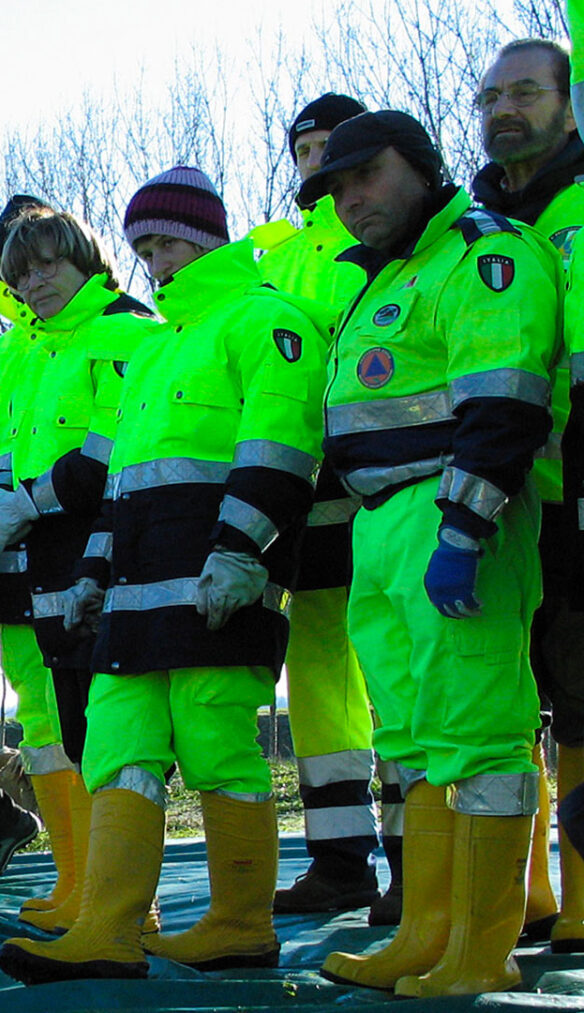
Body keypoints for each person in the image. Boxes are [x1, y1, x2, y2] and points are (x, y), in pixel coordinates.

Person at [0, 167, 327, 984]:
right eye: (144, 247)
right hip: (131, 599)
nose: (157, 260)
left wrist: (242, 550)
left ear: (211, 236)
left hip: (218, 584)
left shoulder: (265, 320)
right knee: (117, 749)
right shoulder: (156, 350)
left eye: (170, 242)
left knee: (218, 745)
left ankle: (241, 922)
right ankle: (108, 929)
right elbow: (124, 486)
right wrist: (92, 575)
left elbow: (282, 448)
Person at [309, 110, 558, 998]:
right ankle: (427, 930)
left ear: (418, 165)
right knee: (412, 742)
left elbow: (506, 399)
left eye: (364, 177)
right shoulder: (378, 282)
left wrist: (464, 531)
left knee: (479, 737)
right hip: (380, 529)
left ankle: (483, 947)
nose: (349, 201)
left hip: (450, 515)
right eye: (334, 190)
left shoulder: (482, 256)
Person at [0, 200, 157, 930]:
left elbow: (111, 452)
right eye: (22, 272)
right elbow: (10, 447)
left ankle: (118, 907)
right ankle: (80, 883)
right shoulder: (24, 355)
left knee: (114, 733)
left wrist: (29, 501)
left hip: (102, 555)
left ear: (86, 258)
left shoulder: (127, 332)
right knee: (60, 726)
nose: (36, 281)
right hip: (36, 560)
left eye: (49, 263)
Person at [249, 92, 389, 920]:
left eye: (330, 146)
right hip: (304, 495)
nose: (315, 162)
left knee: (391, 669)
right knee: (322, 681)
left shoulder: (384, 237)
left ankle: (418, 863)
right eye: (303, 149)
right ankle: (341, 860)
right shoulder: (277, 253)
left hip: (378, 485)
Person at [471, 36, 584, 950]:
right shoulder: (487, 233)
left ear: (569, 102)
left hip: (575, 486)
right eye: (490, 95)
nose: (503, 107)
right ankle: (539, 896)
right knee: (531, 699)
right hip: (522, 499)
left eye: (525, 91)